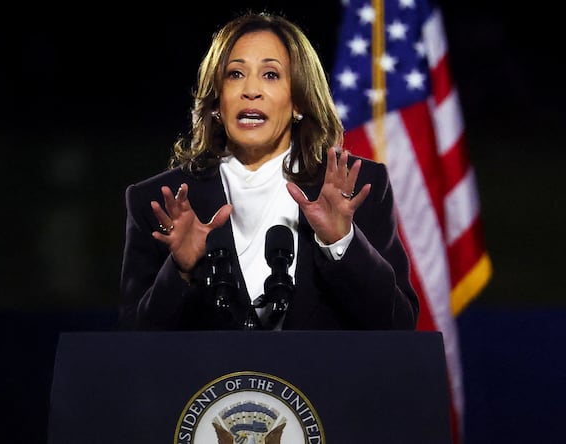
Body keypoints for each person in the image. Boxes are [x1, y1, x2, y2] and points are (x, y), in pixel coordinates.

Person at [118, 11, 418, 331]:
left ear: (299, 101)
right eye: (235, 74)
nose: (251, 90)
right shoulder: (158, 201)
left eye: (271, 75)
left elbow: (398, 326)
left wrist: (341, 242)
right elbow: (132, 346)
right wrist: (180, 270)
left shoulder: (357, 186)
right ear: (217, 101)